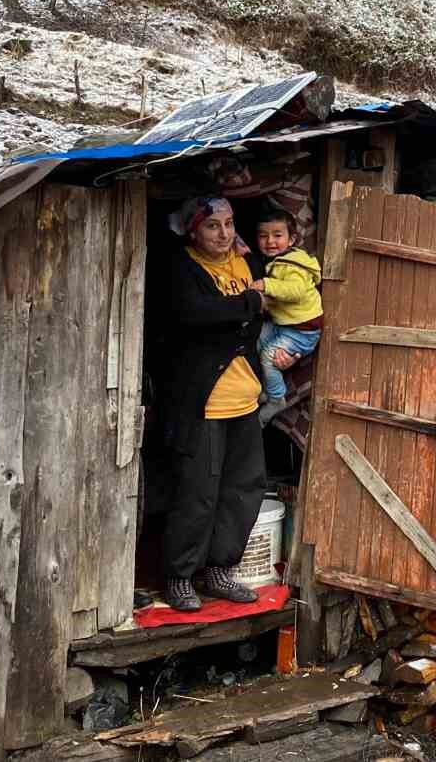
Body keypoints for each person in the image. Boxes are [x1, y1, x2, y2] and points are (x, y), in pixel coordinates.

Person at [157, 195, 269, 611]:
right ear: (193, 230)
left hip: (245, 398)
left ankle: (220, 570)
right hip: (202, 401)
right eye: (212, 226)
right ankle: (180, 576)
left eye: (228, 224)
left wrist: (239, 311)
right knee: (197, 491)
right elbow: (190, 314)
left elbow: (248, 317)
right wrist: (247, 304)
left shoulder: (247, 263)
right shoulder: (181, 267)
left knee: (242, 487)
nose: (224, 234)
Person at [254, 209, 323, 424]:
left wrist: (266, 285)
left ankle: (276, 398)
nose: (270, 241)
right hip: (285, 324)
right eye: (263, 236)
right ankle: (267, 387)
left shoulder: (292, 264)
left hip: (301, 331)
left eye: (277, 235)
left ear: (292, 239)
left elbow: (295, 291)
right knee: (257, 338)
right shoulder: (279, 261)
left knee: (268, 356)